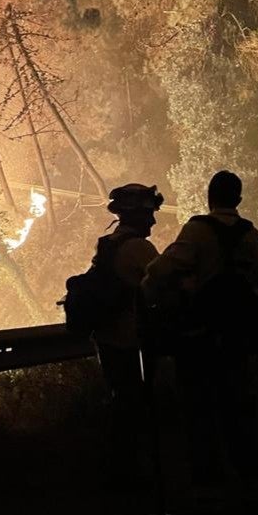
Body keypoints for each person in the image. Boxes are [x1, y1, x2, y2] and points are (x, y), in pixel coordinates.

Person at [145, 171, 258, 498]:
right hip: (238, 341)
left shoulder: (196, 231)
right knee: (238, 406)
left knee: (199, 410)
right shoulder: (253, 237)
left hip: (197, 339)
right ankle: (249, 476)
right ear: (239, 199)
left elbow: (160, 272)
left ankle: (208, 483)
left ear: (209, 197)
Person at [90, 183, 162, 487]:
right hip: (130, 341)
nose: (154, 221)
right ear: (137, 214)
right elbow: (162, 286)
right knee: (134, 406)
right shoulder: (140, 249)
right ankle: (130, 473)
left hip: (106, 338)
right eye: (149, 214)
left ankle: (118, 467)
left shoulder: (107, 243)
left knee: (120, 402)